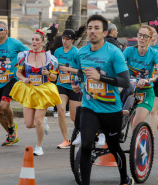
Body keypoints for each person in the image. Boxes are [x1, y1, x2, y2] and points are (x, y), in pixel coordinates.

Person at [72, 15, 134, 185]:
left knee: (114, 147)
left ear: (105, 32)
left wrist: (101, 78)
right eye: (90, 28)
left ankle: (124, 178)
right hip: (89, 106)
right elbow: (80, 72)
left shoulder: (114, 53)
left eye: (96, 28)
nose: (92, 31)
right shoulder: (81, 52)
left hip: (110, 109)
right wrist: (77, 83)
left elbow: (125, 82)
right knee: (85, 145)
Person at [10, 29, 62, 156]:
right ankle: (43, 123)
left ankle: (39, 147)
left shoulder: (50, 58)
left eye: (37, 40)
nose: (34, 42)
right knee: (28, 124)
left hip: (43, 90)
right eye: (32, 39)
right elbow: (17, 73)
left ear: (42, 42)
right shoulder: (24, 56)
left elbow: (56, 78)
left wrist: (48, 73)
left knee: (38, 120)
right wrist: (24, 79)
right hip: (29, 90)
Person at [123, 25, 158, 134]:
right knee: (126, 121)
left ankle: (143, 144)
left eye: (145, 36)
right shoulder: (129, 51)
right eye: (140, 35)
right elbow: (119, 67)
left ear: (150, 39)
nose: (142, 38)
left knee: (137, 124)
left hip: (146, 92)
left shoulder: (154, 53)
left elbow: (157, 75)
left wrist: (147, 80)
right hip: (130, 91)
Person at [54, 29, 82, 149]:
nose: (64, 41)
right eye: (63, 38)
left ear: (73, 40)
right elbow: (54, 67)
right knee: (60, 110)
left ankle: (82, 134)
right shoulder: (57, 51)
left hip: (74, 85)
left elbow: (81, 71)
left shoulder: (76, 53)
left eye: (67, 39)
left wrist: (69, 70)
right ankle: (66, 140)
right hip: (61, 84)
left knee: (74, 117)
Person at [148, 22, 158, 136]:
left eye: (153, 32)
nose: (151, 34)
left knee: (153, 110)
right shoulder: (145, 48)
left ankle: (148, 140)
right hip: (146, 80)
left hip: (157, 81)